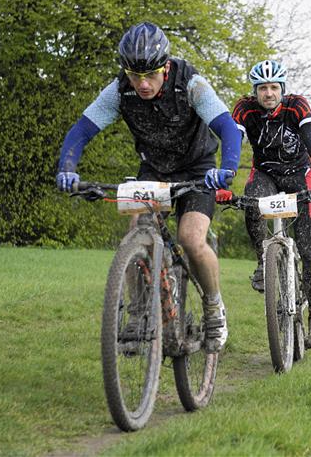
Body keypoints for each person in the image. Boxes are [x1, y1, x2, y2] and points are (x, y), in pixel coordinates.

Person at [55, 22, 242, 353]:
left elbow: (227, 127)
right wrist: (67, 169)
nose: (142, 84)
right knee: (136, 232)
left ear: (165, 67)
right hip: (154, 169)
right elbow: (81, 131)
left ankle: (214, 306)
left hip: (197, 169)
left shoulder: (191, 83)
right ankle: (139, 315)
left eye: (151, 75)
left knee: (190, 238)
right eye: (134, 75)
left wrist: (227, 168)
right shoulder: (119, 91)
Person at [227, 59, 311, 349]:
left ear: (282, 89)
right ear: (255, 91)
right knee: (252, 202)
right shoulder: (244, 108)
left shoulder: (296, 106)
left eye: (274, 87)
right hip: (266, 173)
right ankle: (263, 262)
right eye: (262, 88)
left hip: (300, 173)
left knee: (308, 250)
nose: (268, 93)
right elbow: (233, 141)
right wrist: (225, 178)